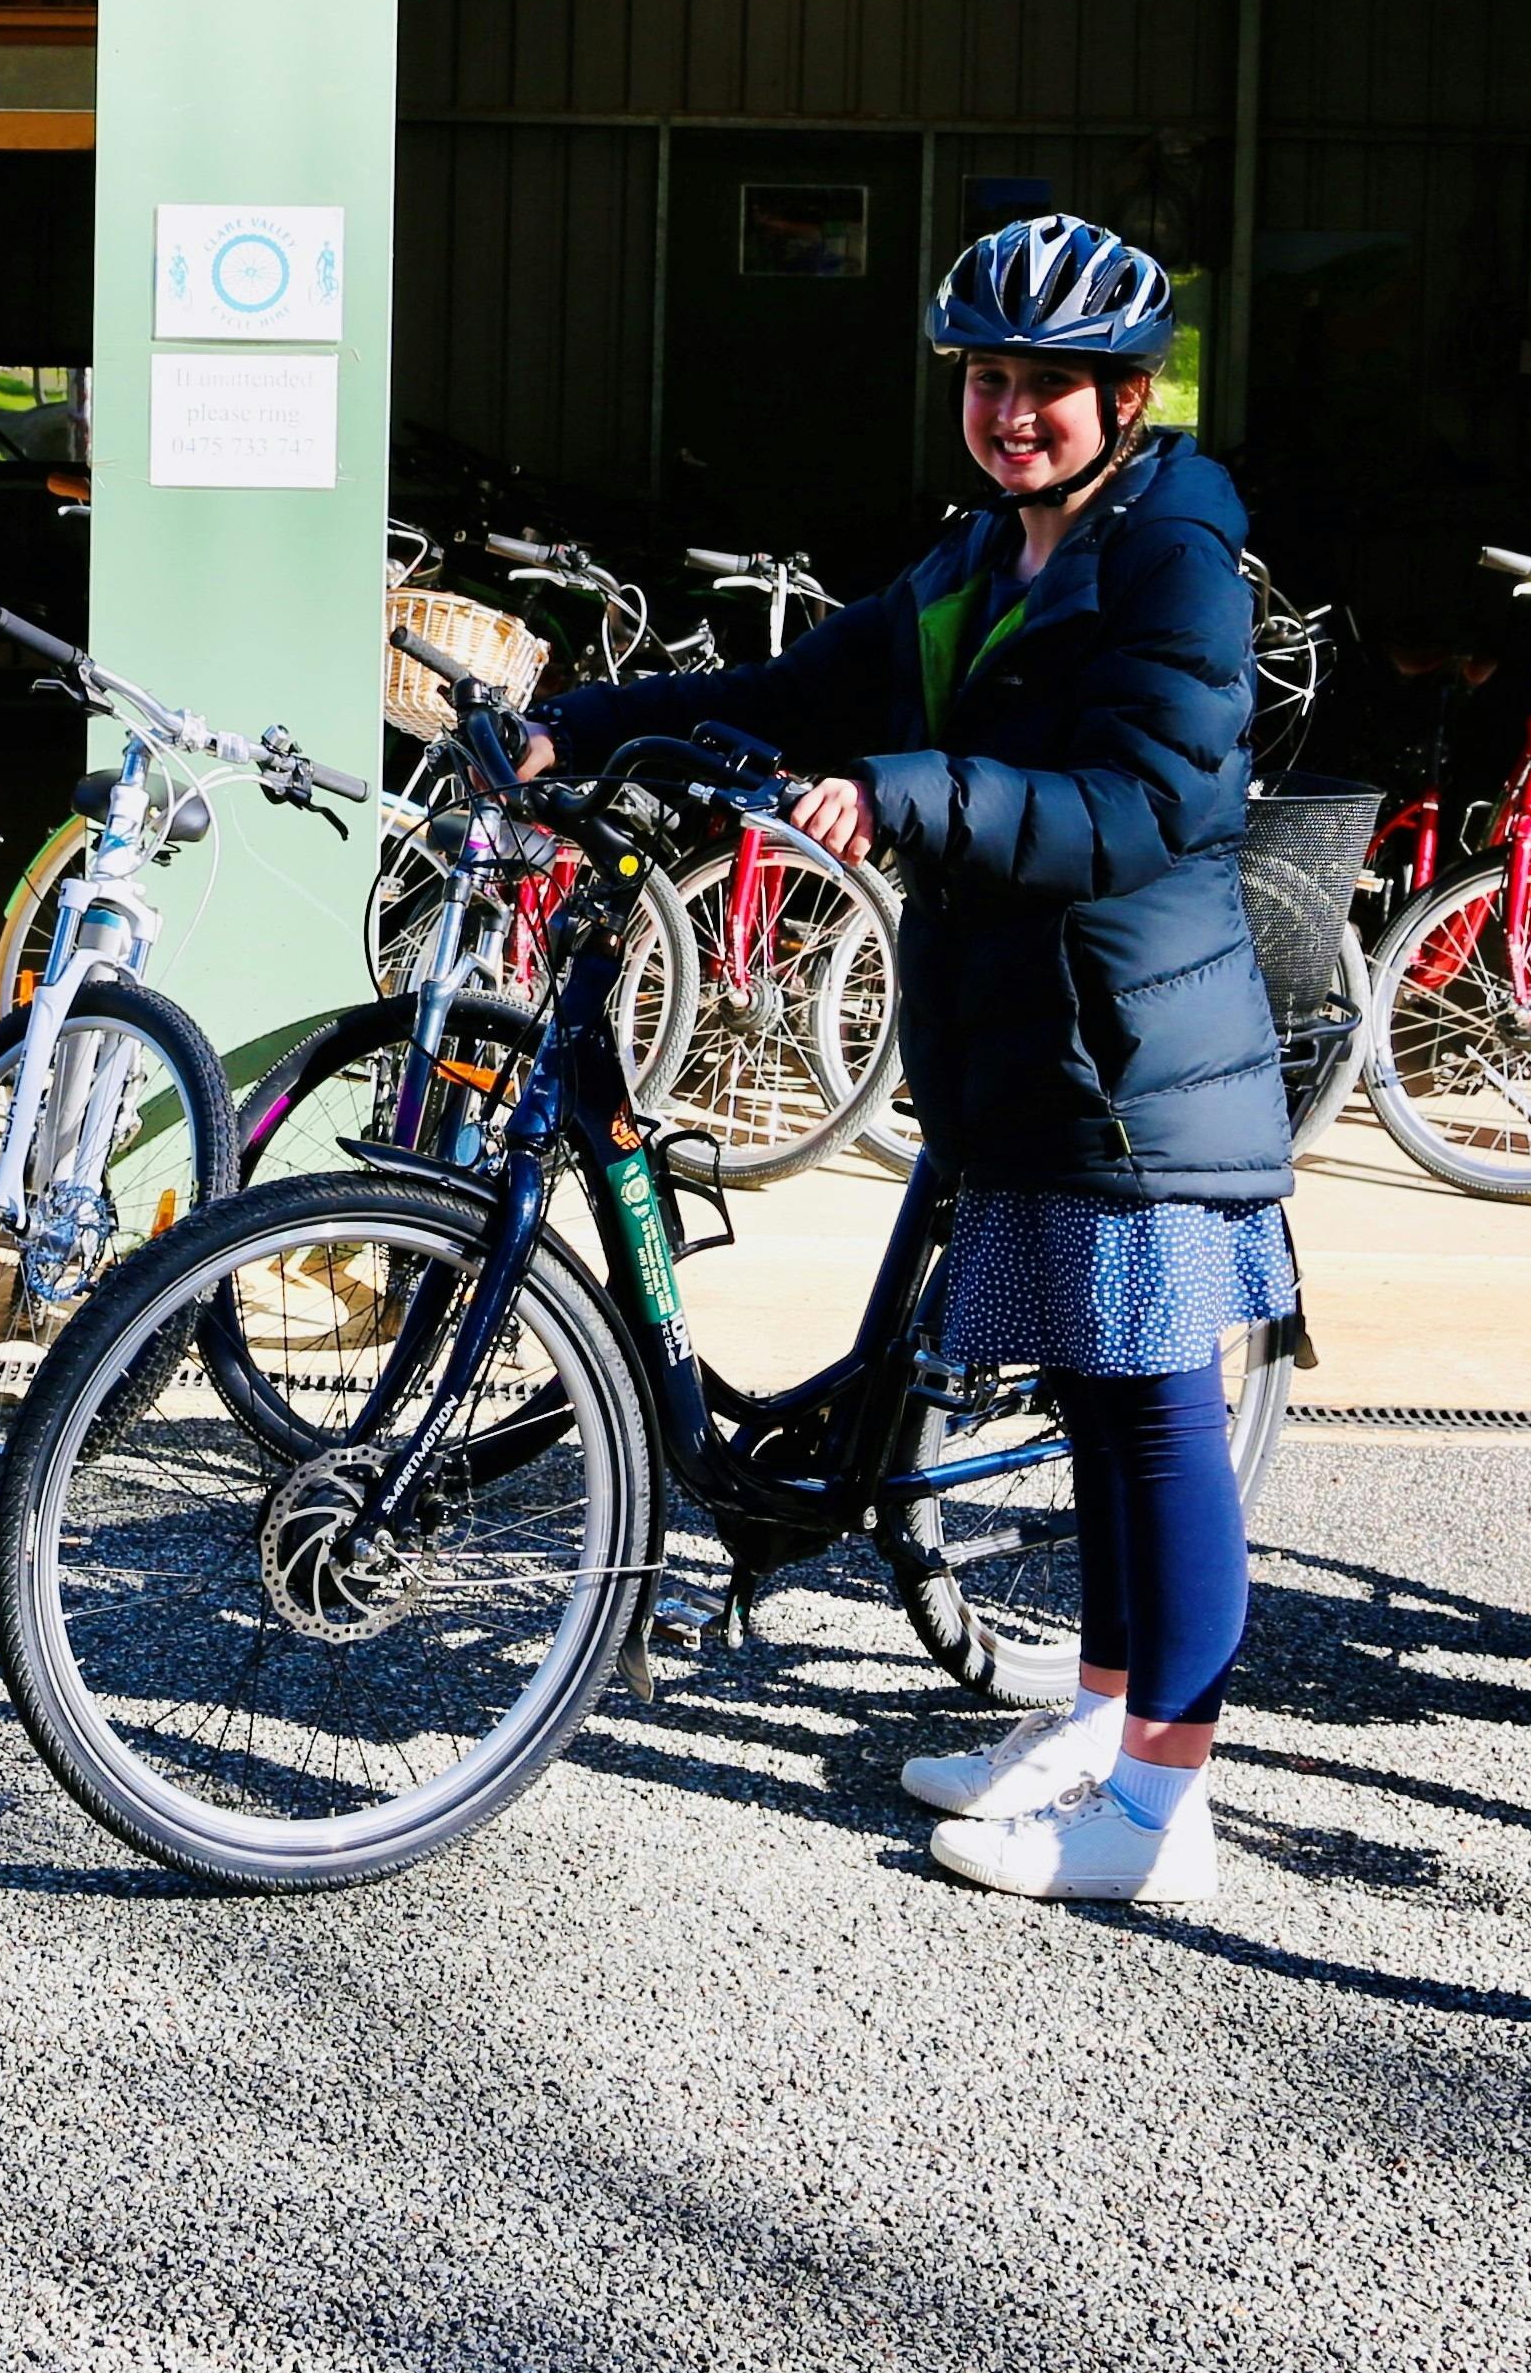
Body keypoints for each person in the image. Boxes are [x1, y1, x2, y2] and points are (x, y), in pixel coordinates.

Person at [528, 213, 1294, 1908]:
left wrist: (906, 794)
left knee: (1156, 1424)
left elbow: (1150, 802)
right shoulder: (977, 561)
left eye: (1048, 385)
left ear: (1125, 392)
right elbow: (803, 684)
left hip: (1129, 1063)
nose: (1010, 409)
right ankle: (1098, 1726)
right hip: (1021, 1054)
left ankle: (1165, 1813)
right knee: (1098, 1412)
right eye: (986, 377)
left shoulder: (1172, 554)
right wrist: (578, 724)